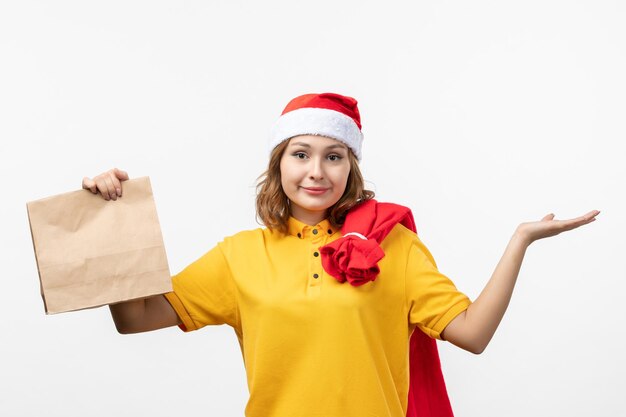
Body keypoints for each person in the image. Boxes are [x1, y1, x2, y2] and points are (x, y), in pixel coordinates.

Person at [82, 92, 599, 417]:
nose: (316, 171)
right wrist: (114, 224)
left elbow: (473, 334)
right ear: (278, 165)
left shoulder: (392, 246)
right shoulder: (240, 256)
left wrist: (520, 241)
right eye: (300, 154)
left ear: (350, 169)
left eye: (334, 157)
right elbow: (136, 317)